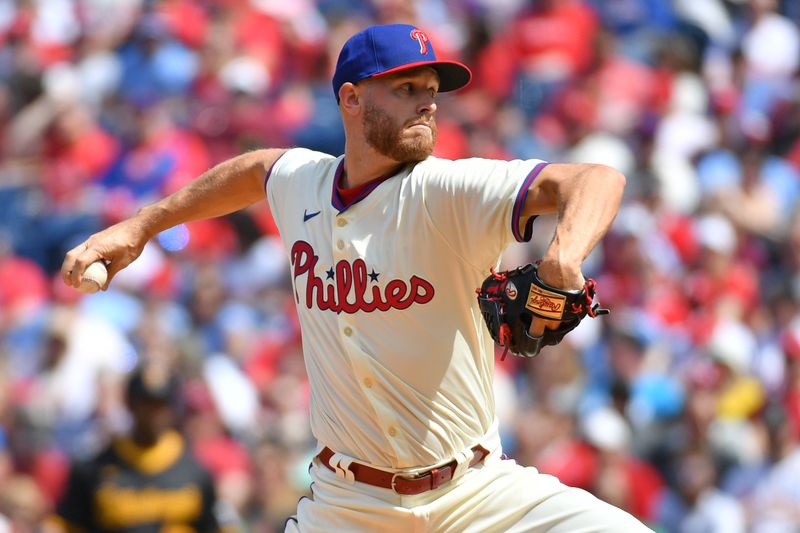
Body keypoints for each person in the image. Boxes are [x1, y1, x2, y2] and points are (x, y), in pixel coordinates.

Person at [62, 23, 652, 532]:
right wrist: (143, 225)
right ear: (350, 98)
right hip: (350, 506)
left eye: (431, 91)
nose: (428, 103)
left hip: (476, 495)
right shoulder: (304, 183)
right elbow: (254, 170)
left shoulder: (446, 189)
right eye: (406, 89)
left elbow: (597, 179)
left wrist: (562, 258)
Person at [48, 364, 235, 532]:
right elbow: (65, 525)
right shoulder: (94, 470)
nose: (153, 415)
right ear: (130, 404)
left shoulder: (195, 470)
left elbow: (217, 526)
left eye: (160, 406)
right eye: (145, 405)